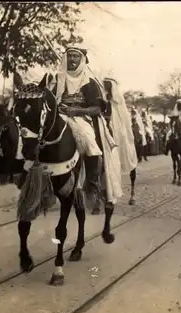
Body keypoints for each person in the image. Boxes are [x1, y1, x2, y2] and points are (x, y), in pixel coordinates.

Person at [53, 47, 106, 199]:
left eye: (76, 56)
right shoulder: (57, 78)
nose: (72, 59)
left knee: (89, 140)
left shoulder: (89, 82)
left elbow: (96, 109)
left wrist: (77, 112)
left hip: (81, 118)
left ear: (82, 60)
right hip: (60, 115)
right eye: (69, 56)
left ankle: (92, 181)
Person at [103, 77, 138, 174]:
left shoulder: (118, 103)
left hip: (116, 126)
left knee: (122, 136)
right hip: (104, 122)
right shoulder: (103, 99)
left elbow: (123, 119)